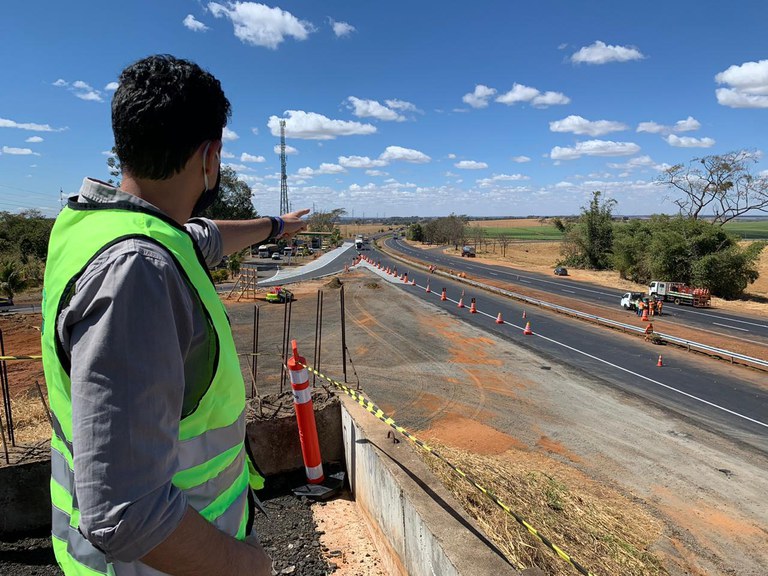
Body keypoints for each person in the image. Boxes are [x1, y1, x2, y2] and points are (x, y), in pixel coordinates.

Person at [41, 55, 308, 576]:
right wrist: (248, 566)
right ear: (211, 157)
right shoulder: (137, 272)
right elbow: (125, 513)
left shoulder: (98, 226)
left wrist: (275, 226)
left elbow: (202, 238)